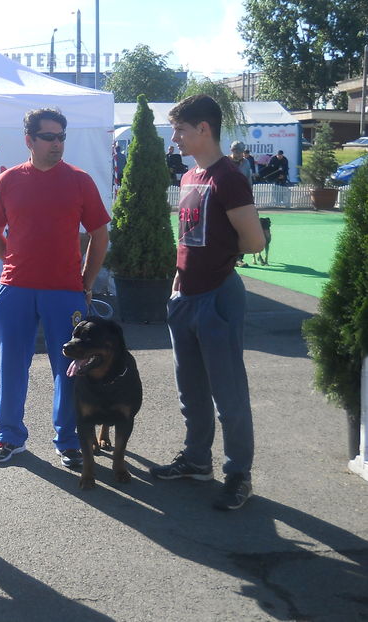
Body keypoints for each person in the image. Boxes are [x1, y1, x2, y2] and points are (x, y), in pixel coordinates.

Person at [151, 94, 265, 511]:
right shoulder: (190, 176)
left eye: (180, 129)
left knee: (228, 393)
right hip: (185, 296)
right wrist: (180, 283)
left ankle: (238, 474)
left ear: (204, 129)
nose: (174, 138)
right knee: (191, 390)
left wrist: (215, 266)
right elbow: (189, 237)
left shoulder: (228, 178)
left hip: (217, 296)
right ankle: (197, 460)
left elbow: (254, 241)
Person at [0, 108, 110, 468]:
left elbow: (100, 236)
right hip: (15, 290)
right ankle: (9, 438)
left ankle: (68, 441)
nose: (57, 144)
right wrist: (14, 262)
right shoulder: (7, 180)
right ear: (29, 140)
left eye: (61, 137)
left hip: (64, 292)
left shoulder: (80, 181)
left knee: (69, 368)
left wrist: (84, 283)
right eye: (49, 137)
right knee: (12, 364)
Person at [230, 141, 253, 268]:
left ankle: (239, 258)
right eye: (235, 151)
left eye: (240, 152)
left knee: (242, 230)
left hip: (242, 200)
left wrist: (250, 197)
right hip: (226, 199)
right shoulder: (225, 162)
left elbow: (249, 179)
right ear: (231, 150)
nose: (238, 154)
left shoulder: (246, 163)